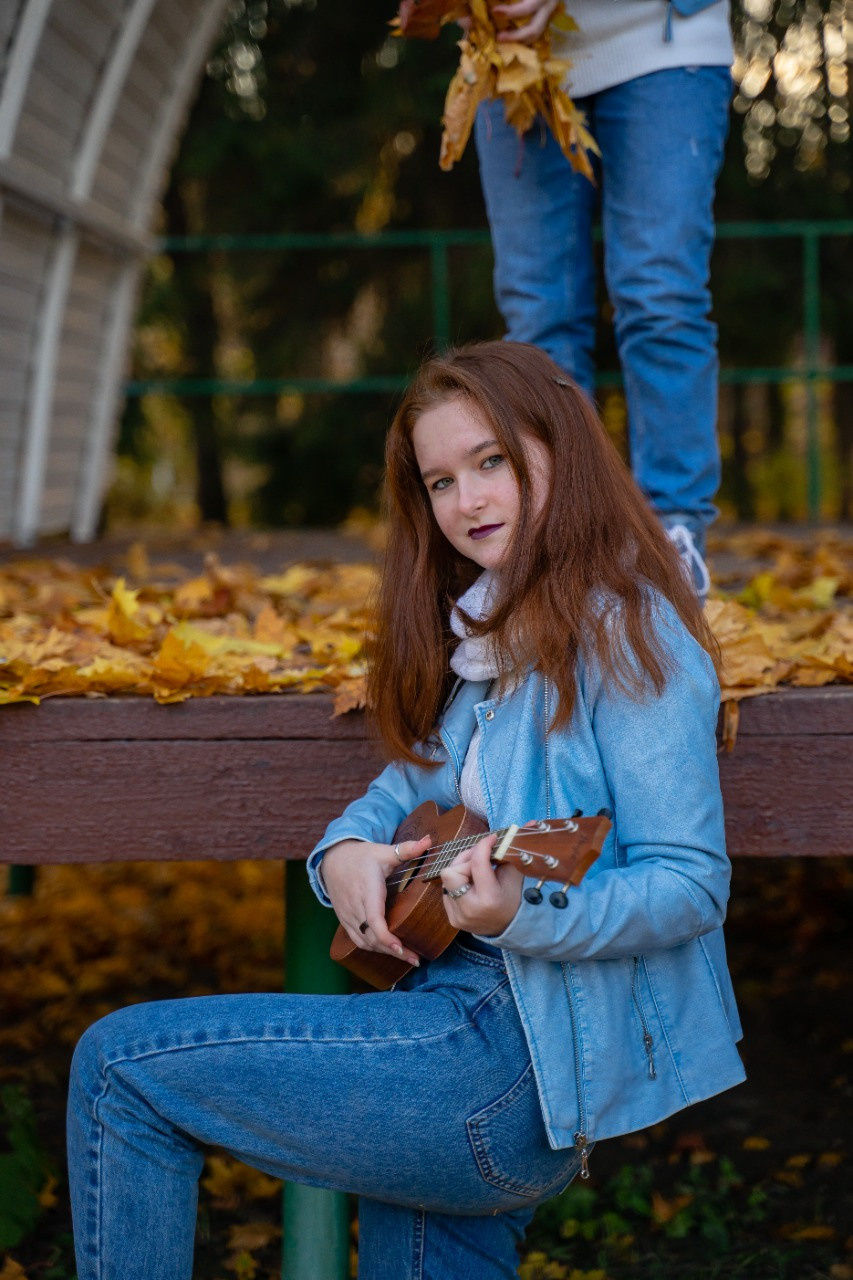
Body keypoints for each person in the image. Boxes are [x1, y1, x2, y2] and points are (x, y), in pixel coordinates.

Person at [66, 341, 745, 1280]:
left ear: (561, 448)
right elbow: (407, 784)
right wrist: (341, 849)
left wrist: (524, 916)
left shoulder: (632, 633)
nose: (465, 501)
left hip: (507, 1056)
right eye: (439, 480)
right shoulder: (491, 633)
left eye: (491, 461)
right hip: (447, 1017)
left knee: (119, 1073)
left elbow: (688, 882)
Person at [474, 0, 734, 598]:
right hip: (514, 55)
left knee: (660, 295)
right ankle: (561, 541)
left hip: (665, 39)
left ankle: (673, 538)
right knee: (538, 316)